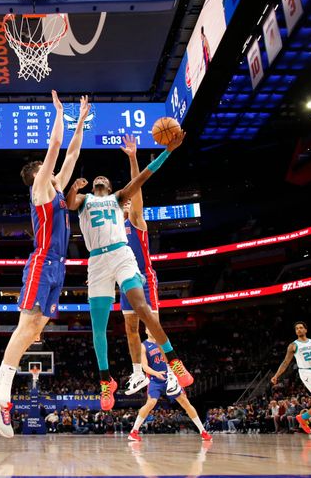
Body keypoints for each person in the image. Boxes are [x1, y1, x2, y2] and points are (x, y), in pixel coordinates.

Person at [0, 92, 90, 438]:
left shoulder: (57, 189)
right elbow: (56, 145)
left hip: (59, 266)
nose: (53, 169)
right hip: (42, 262)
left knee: (37, 328)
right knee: (27, 325)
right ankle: (0, 392)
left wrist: (81, 120)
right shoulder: (41, 188)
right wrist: (60, 113)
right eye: (46, 167)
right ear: (37, 173)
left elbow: (71, 153)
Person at [67, 132, 193, 410]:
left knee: (142, 308)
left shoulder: (118, 198)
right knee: (98, 327)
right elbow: (68, 202)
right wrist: (75, 187)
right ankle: (105, 381)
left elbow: (144, 177)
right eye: (96, 179)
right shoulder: (85, 201)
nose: (99, 179)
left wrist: (168, 151)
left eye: (104, 179)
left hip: (122, 255)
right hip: (97, 262)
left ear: (110, 186)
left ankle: (174, 360)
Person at [117, 135, 161, 396]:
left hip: (144, 278)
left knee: (153, 330)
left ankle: (169, 374)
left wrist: (133, 158)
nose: (128, 202)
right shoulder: (115, 232)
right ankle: (137, 374)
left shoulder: (136, 221)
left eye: (130, 200)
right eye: (125, 200)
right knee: (130, 329)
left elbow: (137, 189)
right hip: (125, 282)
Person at [128, 325, 211, 442]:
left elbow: (173, 359)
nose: (151, 329)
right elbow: (144, 367)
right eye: (149, 328)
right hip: (155, 379)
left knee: (185, 402)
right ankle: (134, 431)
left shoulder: (163, 340)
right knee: (151, 403)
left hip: (170, 378)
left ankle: (203, 431)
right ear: (146, 330)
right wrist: (156, 373)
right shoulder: (143, 346)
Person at [270, 321, 311, 439]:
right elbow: (286, 362)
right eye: (297, 329)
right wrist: (276, 375)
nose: (299, 330)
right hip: (305, 372)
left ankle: (303, 417)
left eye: (301, 328)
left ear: (305, 330)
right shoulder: (293, 345)